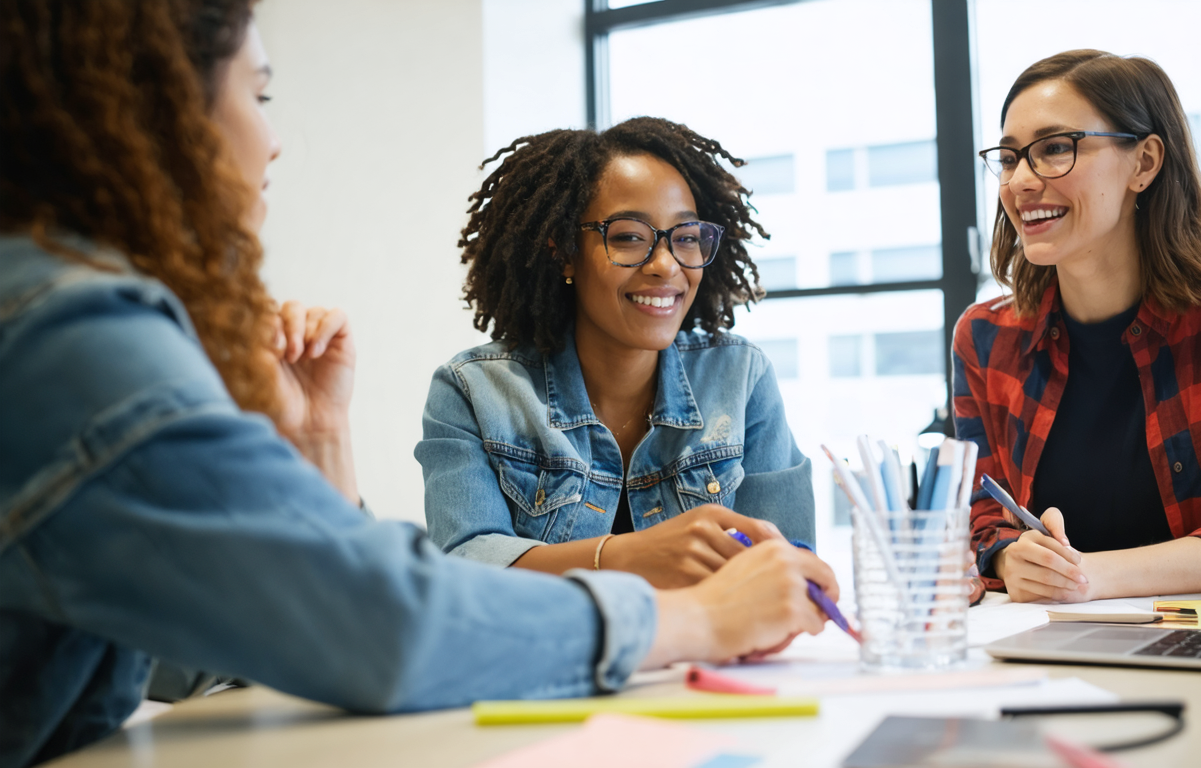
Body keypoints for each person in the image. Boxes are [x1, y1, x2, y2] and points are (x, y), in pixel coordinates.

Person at [0, 3, 839, 766]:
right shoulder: (69, 335)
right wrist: (700, 616)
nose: (275, 140)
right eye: (259, 95)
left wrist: (320, 438)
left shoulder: (59, 312)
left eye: (686, 237)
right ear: (157, 111)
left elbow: (278, 617)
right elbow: (374, 617)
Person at [953, 50, 1201, 603]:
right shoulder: (984, 337)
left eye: (1055, 148)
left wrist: (1083, 577)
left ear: (1144, 163)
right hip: (1046, 633)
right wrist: (1010, 556)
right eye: (1008, 158)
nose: (1020, 181)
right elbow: (985, 518)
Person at [416, 118, 814, 589]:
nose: (666, 265)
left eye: (686, 237)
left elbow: (790, 570)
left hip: (707, 639)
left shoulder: (740, 377)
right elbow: (462, 567)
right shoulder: (473, 392)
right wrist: (633, 556)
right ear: (565, 253)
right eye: (628, 236)